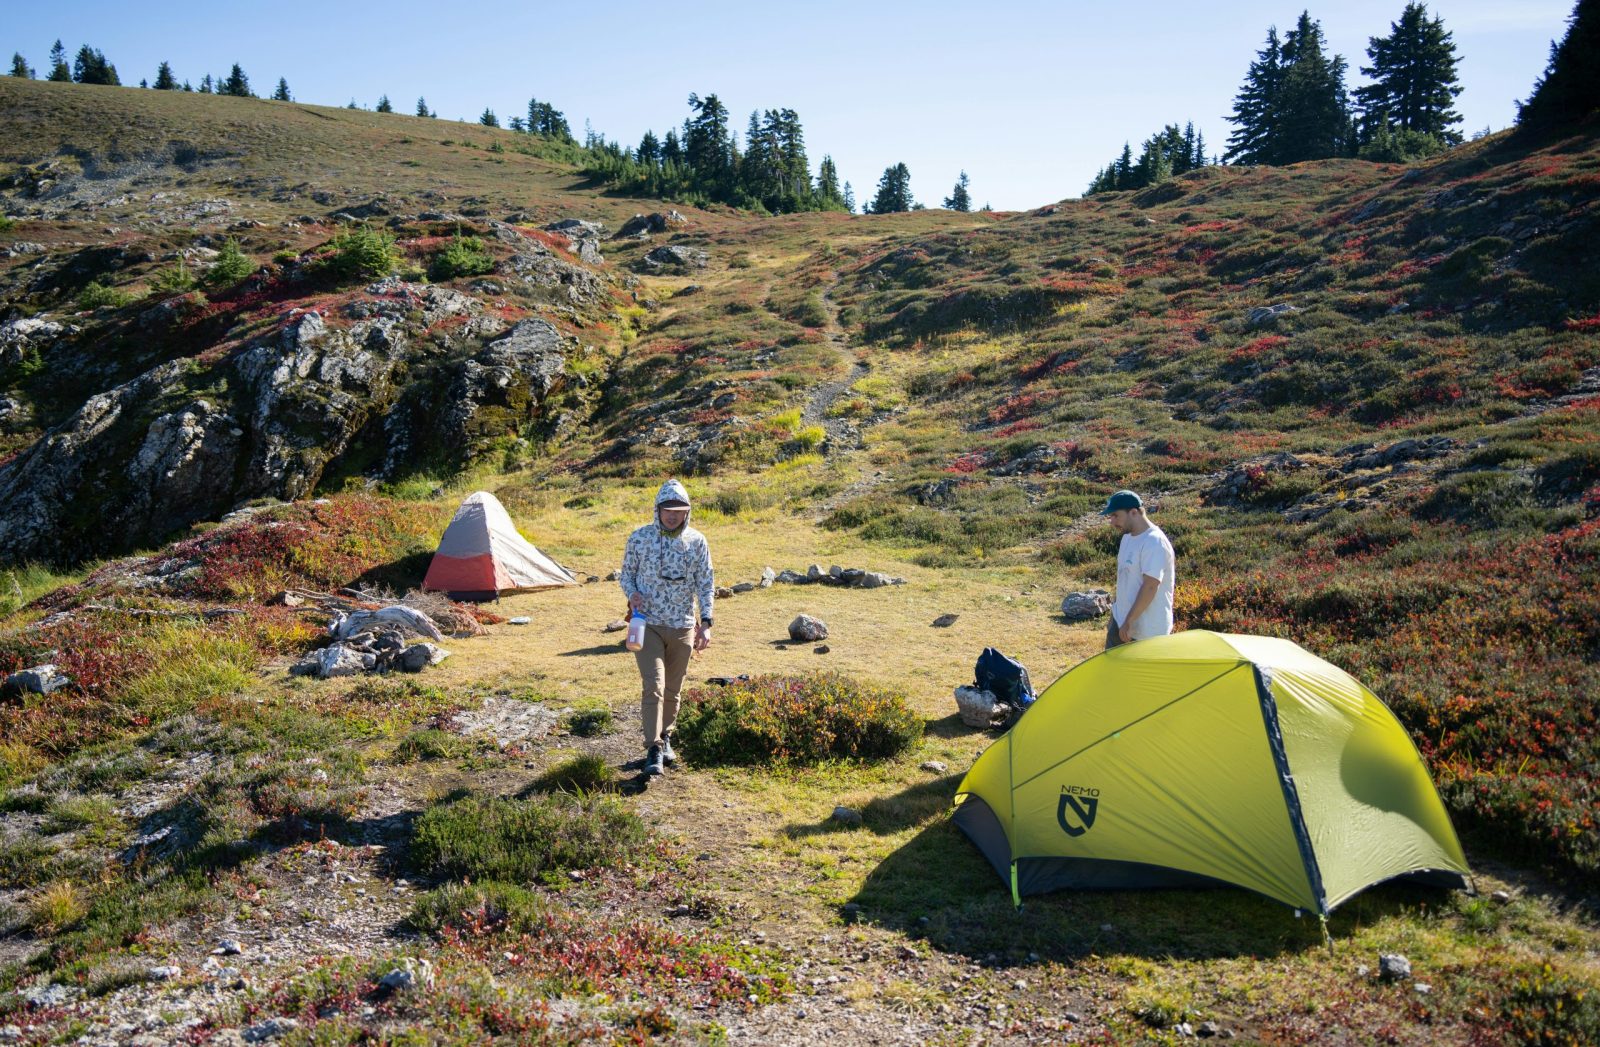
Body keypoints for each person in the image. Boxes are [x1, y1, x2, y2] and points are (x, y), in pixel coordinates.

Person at [618, 479, 714, 775]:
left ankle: (667, 736)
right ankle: (653, 748)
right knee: (654, 686)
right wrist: (631, 593)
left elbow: (706, 583)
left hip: (683, 626)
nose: (673, 515)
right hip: (647, 625)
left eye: (679, 510)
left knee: (673, 689)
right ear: (657, 510)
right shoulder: (639, 538)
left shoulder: (697, 542)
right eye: (667, 510)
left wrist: (706, 623)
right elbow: (626, 575)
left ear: (688, 512)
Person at [1101, 490, 1175, 650]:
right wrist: (1116, 615)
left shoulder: (1155, 542)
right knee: (1112, 673)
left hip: (1147, 632)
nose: (1112, 522)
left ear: (1133, 512)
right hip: (1121, 623)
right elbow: (1124, 578)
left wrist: (1129, 621)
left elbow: (1150, 586)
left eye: (1115, 515)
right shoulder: (1127, 538)